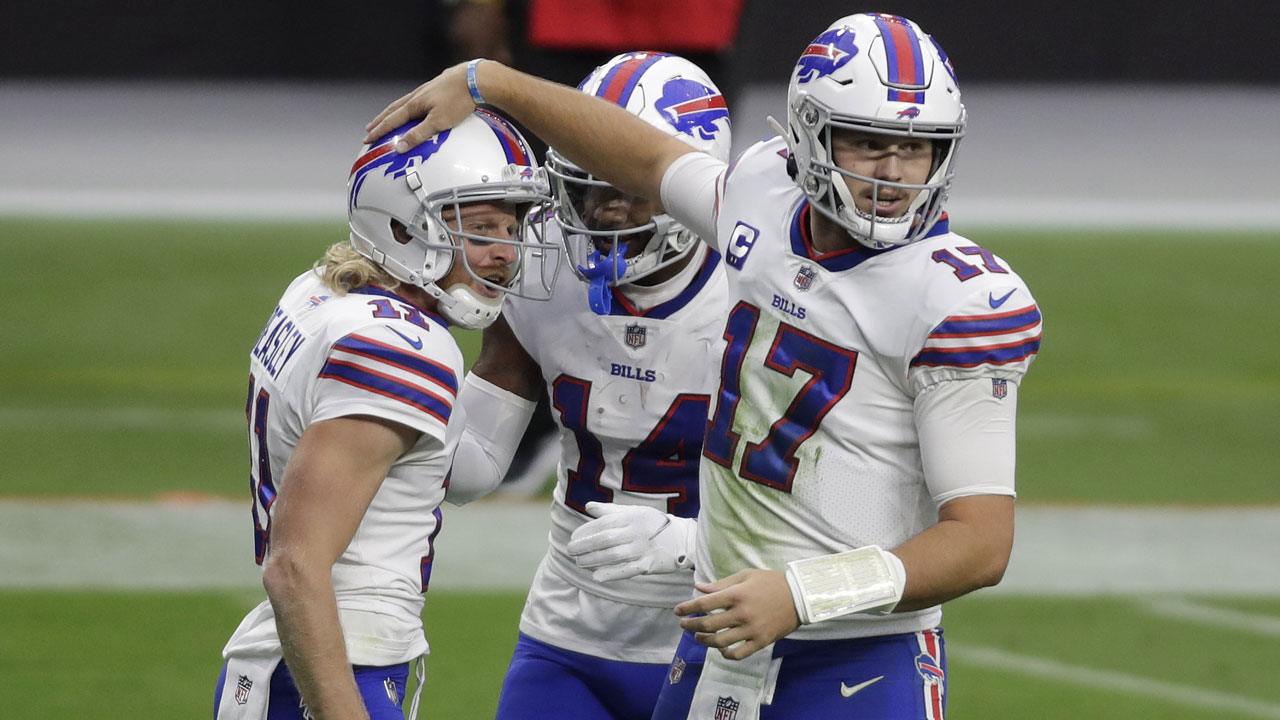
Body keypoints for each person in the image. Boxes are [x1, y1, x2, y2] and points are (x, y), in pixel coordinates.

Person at [367, 11, 1042, 720]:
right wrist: (490, 81)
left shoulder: (963, 298)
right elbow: (648, 160)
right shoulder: (759, 197)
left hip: (857, 654)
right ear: (810, 133)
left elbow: (981, 543)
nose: (894, 174)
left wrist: (800, 594)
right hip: (716, 646)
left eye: (916, 149)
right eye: (870, 143)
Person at [213, 109, 559, 720]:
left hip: (292, 662)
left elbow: (456, 469)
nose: (507, 254)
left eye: (513, 227)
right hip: (331, 670)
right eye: (481, 230)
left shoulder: (322, 291)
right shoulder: (401, 348)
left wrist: (524, 343)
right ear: (403, 227)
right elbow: (294, 566)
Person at [442, 51, 733, 720]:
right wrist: (400, 367)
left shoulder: (762, 292)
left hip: (719, 631)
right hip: (567, 631)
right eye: (587, 185)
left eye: (629, 187)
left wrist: (693, 541)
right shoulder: (542, 260)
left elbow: (818, 505)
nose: (603, 213)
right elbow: (470, 467)